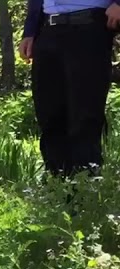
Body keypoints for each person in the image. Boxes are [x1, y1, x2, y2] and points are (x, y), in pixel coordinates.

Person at [20, 0, 120, 178]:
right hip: (47, 30)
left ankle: (86, 187)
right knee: (49, 113)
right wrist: (29, 32)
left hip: (89, 27)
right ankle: (57, 187)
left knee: (85, 114)